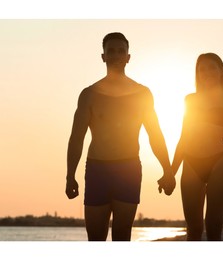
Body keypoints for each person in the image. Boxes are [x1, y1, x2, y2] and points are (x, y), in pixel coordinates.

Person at [65, 32, 175, 241]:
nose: (116, 55)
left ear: (128, 57)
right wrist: (70, 175)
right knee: (96, 238)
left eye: (121, 51)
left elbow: (155, 134)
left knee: (122, 237)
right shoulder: (89, 94)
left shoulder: (142, 93)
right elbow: (76, 138)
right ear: (103, 56)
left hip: (128, 169)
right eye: (111, 51)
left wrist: (167, 169)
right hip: (98, 169)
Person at [160, 53, 223, 241]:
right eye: (202, 69)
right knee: (193, 230)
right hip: (191, 164)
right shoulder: (190, 100)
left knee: (214, 231)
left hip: (219, 164)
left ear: (221, 71)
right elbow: (183, 138)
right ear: (197, 73)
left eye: (212, 67)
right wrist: (171, 172)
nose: (207, 72)